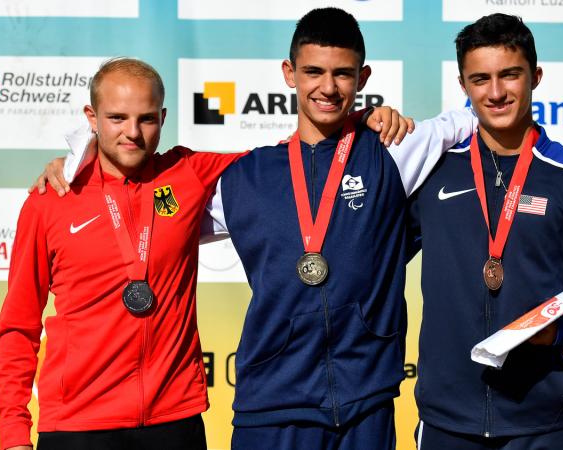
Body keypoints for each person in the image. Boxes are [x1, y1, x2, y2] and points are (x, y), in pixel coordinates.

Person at [38, 8, 477, 449]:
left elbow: (470, 119)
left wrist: (379, 117)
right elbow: (145, 202)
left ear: (362, 78)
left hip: (367, 402)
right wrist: (85, 161)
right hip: (270, 407)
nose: (327, 87)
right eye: (313, 72)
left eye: (342, 74)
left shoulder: (392, 152)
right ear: (289, 74)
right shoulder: (246, 178)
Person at [0, 57, 408, 450]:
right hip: (77, 424)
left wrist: (360, 121)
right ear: (91, 119)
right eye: (117, 118)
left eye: (146, 118)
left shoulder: (188, 174)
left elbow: (291, 161)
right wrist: (13, 432)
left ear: (164, 119)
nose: (132, 132)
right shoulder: (51, 200)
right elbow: (18, 325)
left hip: (175, 420)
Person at [407, 13, 563, 450]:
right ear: (463, 85)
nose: (495, 93)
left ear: (535, 76)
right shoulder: (432, 171)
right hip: (445, 419)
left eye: (510, 75)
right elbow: (373, 251)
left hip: (539, 419)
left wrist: (556, 329)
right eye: (480, 79)